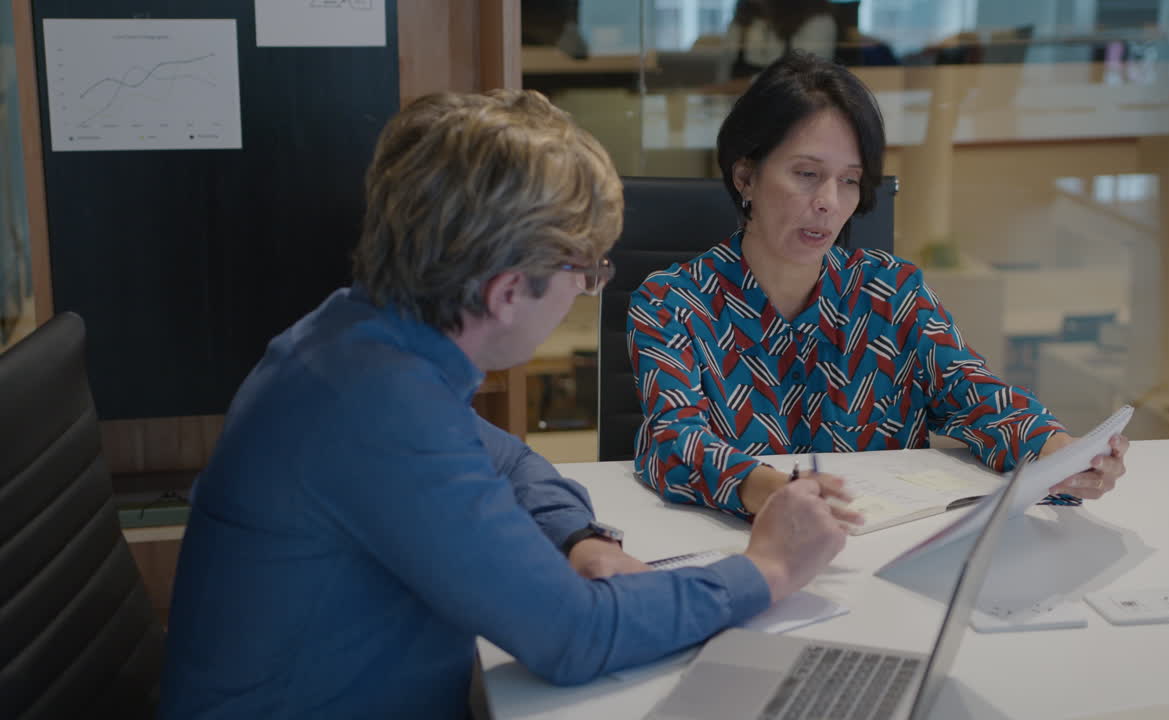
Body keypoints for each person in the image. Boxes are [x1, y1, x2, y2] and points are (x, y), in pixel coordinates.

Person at [159, 90, 854, 718]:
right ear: (506, 292)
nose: (586, 291)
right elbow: (576, 637)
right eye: (585, 272)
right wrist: (768, 569)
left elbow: (512, 462)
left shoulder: (357, 338)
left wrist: (578, 540)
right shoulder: (380, 407)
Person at [627, 51, 1129, 520]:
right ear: (746, 176)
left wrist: (1058, 451)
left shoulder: (891, 291)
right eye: (806, 173)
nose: (828, 201)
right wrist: (774, 492)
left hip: (891, 552)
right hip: (749, 552)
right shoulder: (672, 302)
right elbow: (674, 442)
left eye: (849, 180)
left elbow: (975, 395)